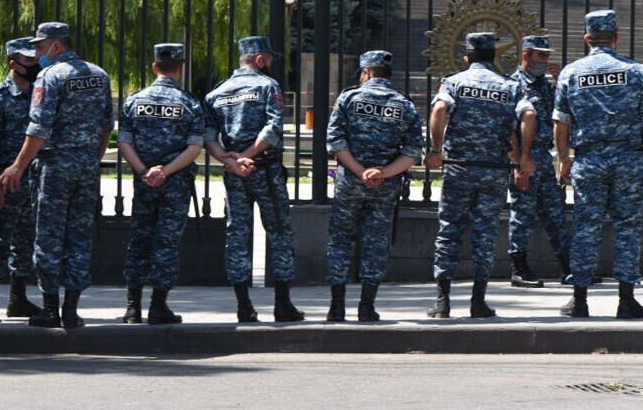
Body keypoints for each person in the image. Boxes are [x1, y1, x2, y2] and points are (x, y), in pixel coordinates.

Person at [0, 22, 113, 329]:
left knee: (48, 237)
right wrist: (92, 158)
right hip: (86, 167)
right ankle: (71, 310)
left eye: (40, 47)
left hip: (55, 167)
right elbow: (107, 125)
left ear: (56, 46)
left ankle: (50, 308)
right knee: (79, 237)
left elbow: (38, 129)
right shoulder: (99, 74)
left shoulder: (50, 76)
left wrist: (17, 166)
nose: (37, 55)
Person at [554, 9, 643, 319]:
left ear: (587, 39)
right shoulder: (635, 71)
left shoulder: (571, 73)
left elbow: (561, 124)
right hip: (628, 158)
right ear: (616, 38)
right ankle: (626, 300)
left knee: (586, 227)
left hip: (589, 159)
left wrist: (563, 159)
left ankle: (579, 300)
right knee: (628, 228)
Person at [425, 32, 537, 319]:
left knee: (449, 231)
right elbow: (529, 115)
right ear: (494, 56)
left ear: (467, 57)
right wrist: (524, 156)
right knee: (485, 235)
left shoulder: (454, 82)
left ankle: (442, 302)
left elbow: (439, 109)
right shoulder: (509, 86)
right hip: (493, 170)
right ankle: (478, 302)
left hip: (459, 167)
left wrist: (435, 149)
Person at [204, 36, 304, 323]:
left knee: (237, 236)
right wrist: (247, 156)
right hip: (265, 170)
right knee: (280, 233)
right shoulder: (267, 86)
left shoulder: (217, 92)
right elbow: (273, 128)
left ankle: (243, 306)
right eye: (269, 59)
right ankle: (282, 304)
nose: (270, 63)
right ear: (260, 59)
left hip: (235, 174)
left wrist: (229, 161)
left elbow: (208, 136)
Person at [324, 50, 423, 322]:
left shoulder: (349, 98)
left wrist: (359, 171)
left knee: (340, 240)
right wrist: (383, 172)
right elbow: (413, 151)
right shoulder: (404, 105)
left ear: (366, 73)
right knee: (376, 242)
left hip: (350, 181)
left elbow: (335, 140)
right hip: (385, 185)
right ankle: (367, 306)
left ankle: (336, 307)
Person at [118, 43, 204, 325]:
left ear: (155, 67)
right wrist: (165, 172)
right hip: (175, 183)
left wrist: (145, 172)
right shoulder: (190, 103)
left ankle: (132, 308)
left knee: (139, 240)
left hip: (145, 183)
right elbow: (194, 148)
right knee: (166, 242)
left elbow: (124, 143)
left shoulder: (134, 100)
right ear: (180, 69)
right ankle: (158, 306)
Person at [0, 37, 42, 323]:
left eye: (36, 59)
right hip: (6, 177)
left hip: (34, 177)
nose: (35, 64)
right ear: (14, 63)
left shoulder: (40, 93)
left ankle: (18, 299)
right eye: (29, 60)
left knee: (25, 240)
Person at [507, 35, 580, 287]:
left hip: (544, 157)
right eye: (541, 55)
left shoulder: (545, 85)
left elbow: (562, 113)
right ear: (526, 55)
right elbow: (509, 129)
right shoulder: (513, 85)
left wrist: (560, 83)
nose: (545, 60)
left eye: (547, 55)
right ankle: (519, 268)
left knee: (555, 213)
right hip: (525, 157)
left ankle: (569, 268)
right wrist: (518, 163)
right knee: (522, 213)